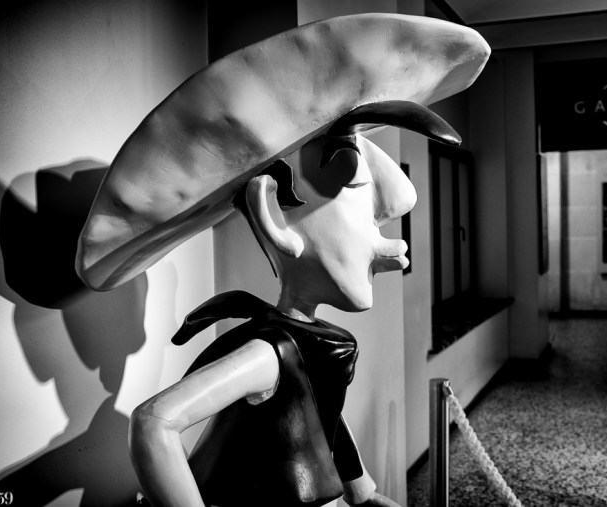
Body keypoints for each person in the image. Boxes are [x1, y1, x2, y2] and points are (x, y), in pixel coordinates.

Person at [75, 13, 490, 507]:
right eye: (358, 189)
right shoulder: (267, 353)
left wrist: (362, 493)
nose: (394, 246)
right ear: (275, 215)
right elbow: (153, 423)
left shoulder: (316, 344)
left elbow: (323, 416)